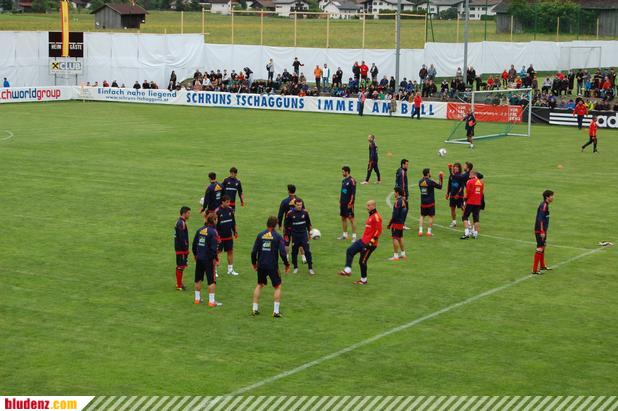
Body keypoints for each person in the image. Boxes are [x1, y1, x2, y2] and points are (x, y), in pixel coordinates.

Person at [251, 216, 290, 317]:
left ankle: (254, 309)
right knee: (278, 286)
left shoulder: (260, 235)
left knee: (259, 285)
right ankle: (276, 312)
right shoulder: (278, 237)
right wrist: (286, 264)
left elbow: (254, 251)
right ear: (276, 225)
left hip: (261, 265)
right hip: (272, 266)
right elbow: (282, 253)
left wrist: (254, 263)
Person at [338, 200, 383, 285]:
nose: (367, 207)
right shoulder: (371, 215)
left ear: (373, 206)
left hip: (370, 244)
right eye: (367, 205)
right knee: (350, 250)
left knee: (362, 261)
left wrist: (370, 243)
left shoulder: (377, 217)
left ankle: (363, 280)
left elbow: (379, 231)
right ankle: (347, 270)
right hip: (363, 241)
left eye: (368, 205)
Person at [192, 213, 221, 306]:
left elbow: (194, 244)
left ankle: (197, 299)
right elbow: (214, 248)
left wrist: (195, 255)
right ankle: (211, 301)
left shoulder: (200, 230)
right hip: (208, 259)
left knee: (198, 279)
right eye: (216, 219)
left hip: (199, 258)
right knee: (211, 280)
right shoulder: (213, 232)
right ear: (214, 220)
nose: (217, 221)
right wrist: (216, 259)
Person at [285, 199, 315, 275]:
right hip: (295, 236)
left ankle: (310, 268)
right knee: (294, 252)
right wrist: (287, 235)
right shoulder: (290, 214)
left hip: (303, 235)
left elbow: (309, 224)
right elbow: (287, 226)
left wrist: (310, 233)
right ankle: (295, 268)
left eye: (300, 205)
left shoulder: (305, 213)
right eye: (298, 205)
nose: (299, 206)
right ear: (295, 205)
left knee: (307, 251)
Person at [215, 195, 239, 276]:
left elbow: (233, 222)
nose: (229, 203)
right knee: (217, 252)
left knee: (230, 251)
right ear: (222, 202)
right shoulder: (217, 211)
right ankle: (214, 271)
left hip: (228, 236)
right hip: (220, 237)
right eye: (227, 202)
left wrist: (235, 232)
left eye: (229, 202)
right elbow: (214, 225)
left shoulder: (230, 210)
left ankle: (230, 270)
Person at [532, 190, 554, 275]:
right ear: (547, 197)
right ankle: (534, 270)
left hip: (543, 230)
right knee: (540, 247)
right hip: (540, 230)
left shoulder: (546, 205)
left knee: (543, 246)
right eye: (551, 196)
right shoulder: (544, 205)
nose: (553, 197)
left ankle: (542, 265)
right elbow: (540, 219)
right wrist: (541, 231)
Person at [418, 168, 444, 237]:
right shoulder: (430, 182)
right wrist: (441, 178)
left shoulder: (420, 181)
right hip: (430, 202)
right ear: (428, 174)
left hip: (423, 202)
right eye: (430, 172)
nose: (430, 173)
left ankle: (420, 231)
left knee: (422, 216)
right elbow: (440, 186)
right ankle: (429, 232)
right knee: (431, 216)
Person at [460, 170, 484, 239]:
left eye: (470, 174)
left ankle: (466, 233)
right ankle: (475, 234)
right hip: (478, 203)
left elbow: (467, 192)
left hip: (470, 202)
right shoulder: (481, 182)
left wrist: (464, 200)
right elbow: (481, 193)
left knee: (465, 217)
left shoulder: (469, 181)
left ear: (473, 174)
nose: (469, 175)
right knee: (476, 219)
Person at [387, 187, 407, 261]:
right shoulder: (403, 200)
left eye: (394, 192)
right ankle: (403, 254)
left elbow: (395, 214)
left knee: (395, 238)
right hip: (401, 222)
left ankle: (395, 256)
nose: (394, 193)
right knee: (400, 237)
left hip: (396, 222)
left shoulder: (398, 202)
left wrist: (390, 224)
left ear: (397, 192)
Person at [174, 206, 191, 291]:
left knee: (181, 266)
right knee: (180, 266)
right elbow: (182, 238)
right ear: (184, 213)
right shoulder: (181, 223)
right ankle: (179, 285)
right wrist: (186, 250)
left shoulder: (180, 222)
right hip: (181, 249)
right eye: (188, 213)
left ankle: (179, 283)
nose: (189, 215)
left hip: (180, 248)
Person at [338, 166, 357, 241]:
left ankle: (354, 236)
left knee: (351, 219)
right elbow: (342, 191)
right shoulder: (344, 181)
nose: (342, 173)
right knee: (343, 218)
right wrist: (340, 201)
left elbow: (353, 193)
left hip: (349, 203)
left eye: (343, 172)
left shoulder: (352, 181)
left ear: (347, 172)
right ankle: (345, 235)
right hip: (343, 203)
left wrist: (351, 203)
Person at [446, 162, 465, 228]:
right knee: (452, 208)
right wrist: (447, 193)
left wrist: (458, 194)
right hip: (452, 195)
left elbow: (462, 186)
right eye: (454, 167)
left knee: (463, 208)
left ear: (459, 168)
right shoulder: (451, 176)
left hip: (459, 195)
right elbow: (449, 185)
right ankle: (454, 222)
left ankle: (466, 221)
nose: (455, 168)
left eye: (457, 167)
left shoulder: (461, 176)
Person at [395, 159, 410, 228]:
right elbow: (403, 185)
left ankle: (399, 223)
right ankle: (402, 224)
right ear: (403, 164)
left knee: (400, 209)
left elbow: (396, 182)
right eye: (406, 164)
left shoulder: (399, 170)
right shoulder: (402, 172)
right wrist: (403, 195)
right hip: (402, 194)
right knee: (405, 209)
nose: (407, 166)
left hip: (398, 193)